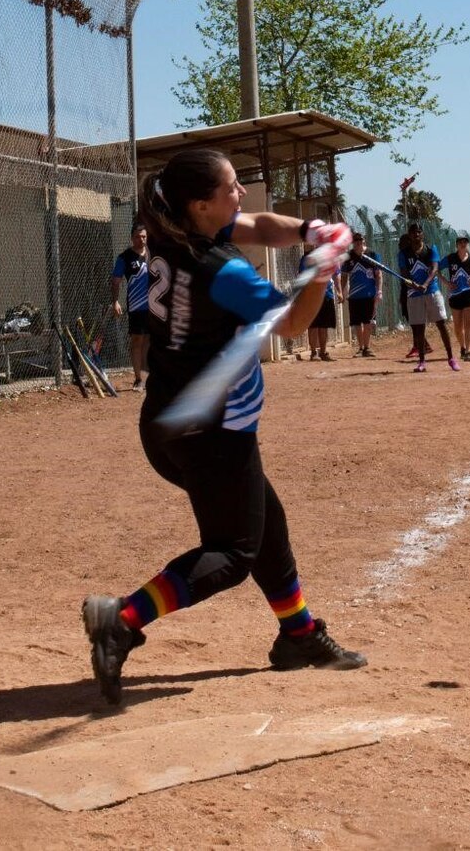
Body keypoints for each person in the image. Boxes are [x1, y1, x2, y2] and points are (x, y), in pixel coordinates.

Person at [80, 147, 366, 705]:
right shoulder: (221, 272)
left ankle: (299, 635)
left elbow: (259, 224)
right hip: (211, 431)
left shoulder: (172, 230)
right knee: (233, 552)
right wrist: (321, 269)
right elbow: (293, 324)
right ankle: (121, 619)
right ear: (201, 204)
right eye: (232, 187)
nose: (241, 194)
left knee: (267, 524)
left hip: (168, 420)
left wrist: (312, 230)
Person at [398, 224, 456, 372]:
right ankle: (422, 361)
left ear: (422, 234)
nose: (416, 234)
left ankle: (451, 358)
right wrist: (414, 284)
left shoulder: (431, 250)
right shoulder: (403, 254)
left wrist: (424, 284)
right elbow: (404, 272)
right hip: (413, 294)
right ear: (409, 236)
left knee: (441, 324)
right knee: (418, 328)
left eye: (418, 232)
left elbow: (435, 268)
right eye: (413, 232)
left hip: (432, 291)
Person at [109, 224, 152, 388]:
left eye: (144, 237)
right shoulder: (125, 257)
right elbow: (115, 281)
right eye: (137, 237)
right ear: (131, 238)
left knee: (150, 341)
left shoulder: (152, 254)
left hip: (154, 307)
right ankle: (138, 379)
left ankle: (149, 377)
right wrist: (115, 301)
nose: (141, 240)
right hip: (136, 306)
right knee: (137, 340)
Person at [439, 236, 470, 362]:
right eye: (460, 242)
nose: (463, 244)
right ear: (456, 245)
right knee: (457, 326)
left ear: (468, 245)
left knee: (469, 324)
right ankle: (462, 347)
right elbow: (436, 269)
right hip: (455, 295)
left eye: (465, 242)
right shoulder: (450, 258)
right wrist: (446, 282)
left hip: (469, 294)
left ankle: (467, 351)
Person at [340, 233, 383, 358]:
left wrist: (379, 291)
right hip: (354, 295)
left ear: (364, 241)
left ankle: (367, 347)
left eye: (360, 240)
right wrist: (342, 292)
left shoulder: (372, 255)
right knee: (357, 323)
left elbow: (378, 274)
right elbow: (344, 276)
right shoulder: (348, 257)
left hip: (369, 294)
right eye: (355, 240)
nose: (358, 242)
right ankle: (360, 347)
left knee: (368, 322)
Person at [301, 243, 337, 362]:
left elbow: (336, 275)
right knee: (313, 325)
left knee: (324, 326)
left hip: (327, 295)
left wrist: (340, 291)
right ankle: (313, 352)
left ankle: (323, 351)